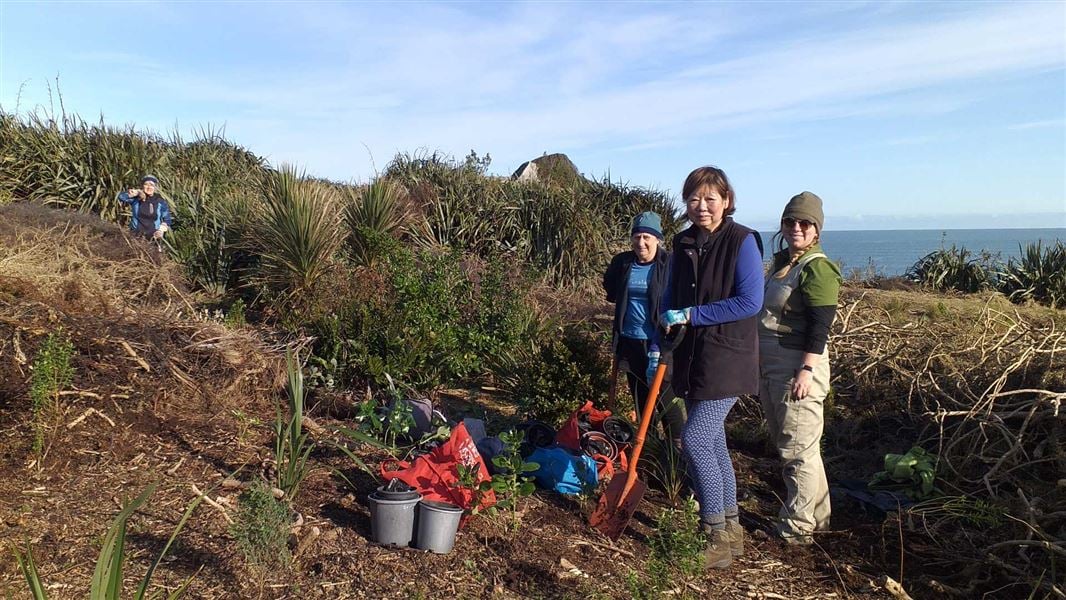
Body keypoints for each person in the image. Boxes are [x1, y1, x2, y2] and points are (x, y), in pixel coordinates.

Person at [659, 166, 763, 569]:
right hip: (694, 357)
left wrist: (692, 314)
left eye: (710, 199)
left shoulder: (742, 242)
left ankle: (714, 532)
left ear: (726, 200)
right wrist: (664, 330)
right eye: (694, 199)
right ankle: (732, 529)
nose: (701, 207)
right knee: (714, 442)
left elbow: (749, 301)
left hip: (730, 357)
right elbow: (670, 297)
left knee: (696, 438)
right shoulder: (683, 241)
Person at [758, 192, 842, 545]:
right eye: (790, 221)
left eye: (805, 223)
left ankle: (797, 529)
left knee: (797, 450)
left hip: (797, 369)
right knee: (797, 446)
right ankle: (820, 520)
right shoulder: (783, 262)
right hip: (773, 367)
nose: (796, 227)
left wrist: (805, 371)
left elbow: (820, 326)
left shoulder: (817, 268)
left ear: (816, 229)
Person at [602, 211, 685, 448]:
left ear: (658, 239)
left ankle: (676, 453)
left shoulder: (668, 264)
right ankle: (647, 451)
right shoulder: (624, 262)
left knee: (665, 400)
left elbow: (678, 300)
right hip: (630, 340)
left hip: (659, 343)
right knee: (639, 400)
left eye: (647, 237)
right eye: (637, 237)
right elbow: (610, 289)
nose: (641, 243)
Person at [117, 175, 172, 241]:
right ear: (142, 186)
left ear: (155, 187)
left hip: (154, 238)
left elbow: (167, 219)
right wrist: (136, 193)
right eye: (146, 184)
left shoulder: (160, 201)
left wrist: (161, 230)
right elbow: (121, 197)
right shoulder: (135, 199)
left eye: (151, 185)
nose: (149, 187)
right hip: (136, 237)